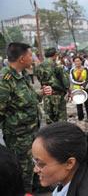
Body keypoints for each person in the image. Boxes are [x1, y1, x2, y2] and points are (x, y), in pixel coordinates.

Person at [0, 42, 52, 193]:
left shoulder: (22, 76)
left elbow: (27, 98)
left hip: (32, 132)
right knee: (22, 171)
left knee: (33, 164)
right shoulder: (5, 80)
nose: (33, 58)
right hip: (18, 137)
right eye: (31, 55)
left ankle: (37, 187)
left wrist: (41, 92)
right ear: (22, 58)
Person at [32, 122, 88, 196]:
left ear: (69, 163)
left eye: (41, 164)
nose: (35, 170)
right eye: (34, 161)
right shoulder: (69, 180)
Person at [35, 47, 70, 124]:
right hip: (58, 95)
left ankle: (51, 135)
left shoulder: (38, 66)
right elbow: (66, 82)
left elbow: (39, 78)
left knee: (50, 119)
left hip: (46, 94)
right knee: (61, 119)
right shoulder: (57, 66)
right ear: (55, 55)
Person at [70, 56, 88, 123]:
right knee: (78, 104)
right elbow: (72, 80)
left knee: (87, 103)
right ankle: (80, 118)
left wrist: (84, 85)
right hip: (77, 89)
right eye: (75, 61)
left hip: (85, 88)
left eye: (78, 61)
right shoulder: (72, 70)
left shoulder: (85, 69)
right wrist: (80, 84)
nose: (77, 62)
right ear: (74, 62)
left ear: (81, 61)